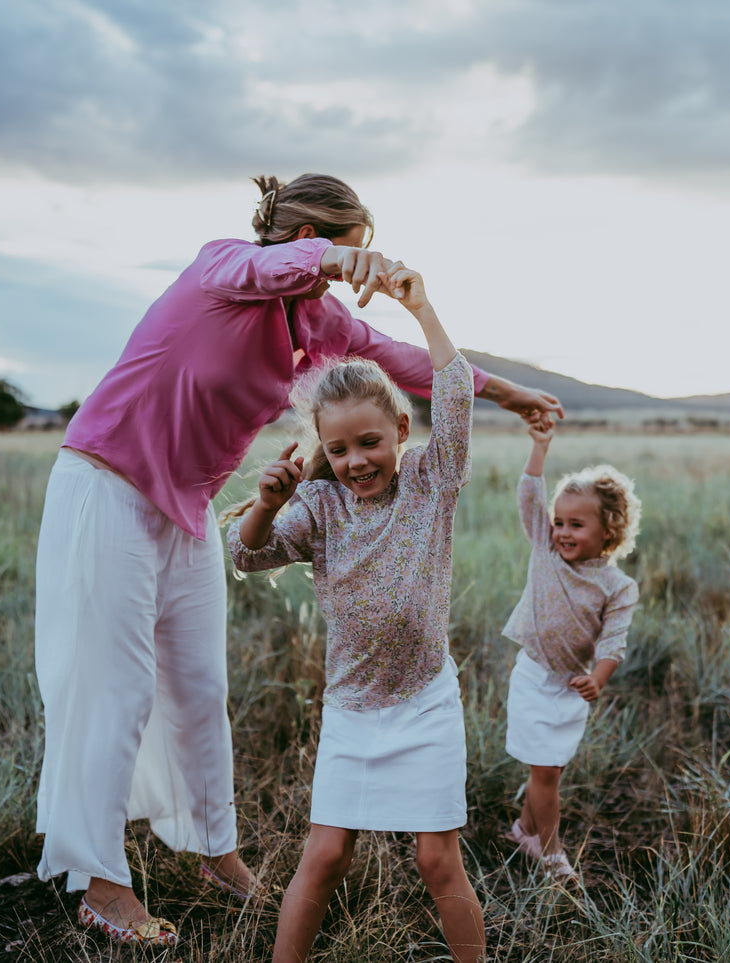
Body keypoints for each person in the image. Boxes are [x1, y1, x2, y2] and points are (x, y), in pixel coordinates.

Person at [34, 173, 561, 946]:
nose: (348, 278)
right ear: (305, 239)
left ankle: (218, 851)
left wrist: (513, 395)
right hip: (106, 484)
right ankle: (101, 881)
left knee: (199, 684)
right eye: (344, 254)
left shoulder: (319, 322)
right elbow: (270, 267)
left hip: (186, 509)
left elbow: (409, 362)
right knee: (112, 691)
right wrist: (340, 260)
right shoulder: (223, 268)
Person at [227, 265, 484, 963]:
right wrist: (266, 506)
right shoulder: (318, 506)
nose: (355, 460)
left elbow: (456, 392)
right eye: (337, 449)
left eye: (369, 442)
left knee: (437, 861)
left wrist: (423, 309)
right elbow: (244, 555)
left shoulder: (431, 480)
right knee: (325, 855)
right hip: (351, 708)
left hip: (425, 700)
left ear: (401, 429)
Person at [501, 419, 640, 879]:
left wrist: (598, 678)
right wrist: (540, 448)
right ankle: (552, 852)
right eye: (559, 521)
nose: (561, 531)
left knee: (550, 769)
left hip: (572, 687)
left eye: (576, 524)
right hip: (534, 676)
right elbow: (528, 497)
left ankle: (524, 829)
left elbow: (613, 641)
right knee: (545, 773)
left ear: (609, 532)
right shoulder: (545, 549)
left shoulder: (618, 587)